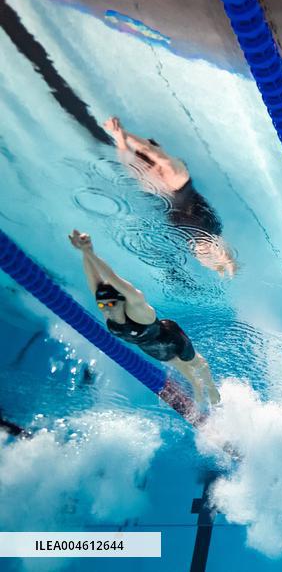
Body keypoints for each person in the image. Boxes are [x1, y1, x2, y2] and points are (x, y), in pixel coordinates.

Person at [68, 229, 221, 405]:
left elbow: (111, 277)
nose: (106, 310)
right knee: (180, 366)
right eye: (102, 305)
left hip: (171, 339)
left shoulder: (138, 310)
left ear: (121, 300)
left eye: (110, 304)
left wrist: (89, 251)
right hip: (150, 347)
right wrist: (85, 253)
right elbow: (93, 279)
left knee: (195, 363)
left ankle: (210, 387)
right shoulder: (107, 309)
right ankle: (196, 387)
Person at [103, 116, 237, 277]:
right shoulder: (152, 173)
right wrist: (120, 136)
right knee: (205, 251)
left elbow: (145, 153)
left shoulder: (173, 169)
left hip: (195, 215)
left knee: (210, 247)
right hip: (182, 218)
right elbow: (129, 158)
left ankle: (230, 267)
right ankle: (226, 270)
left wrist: (121, 134)